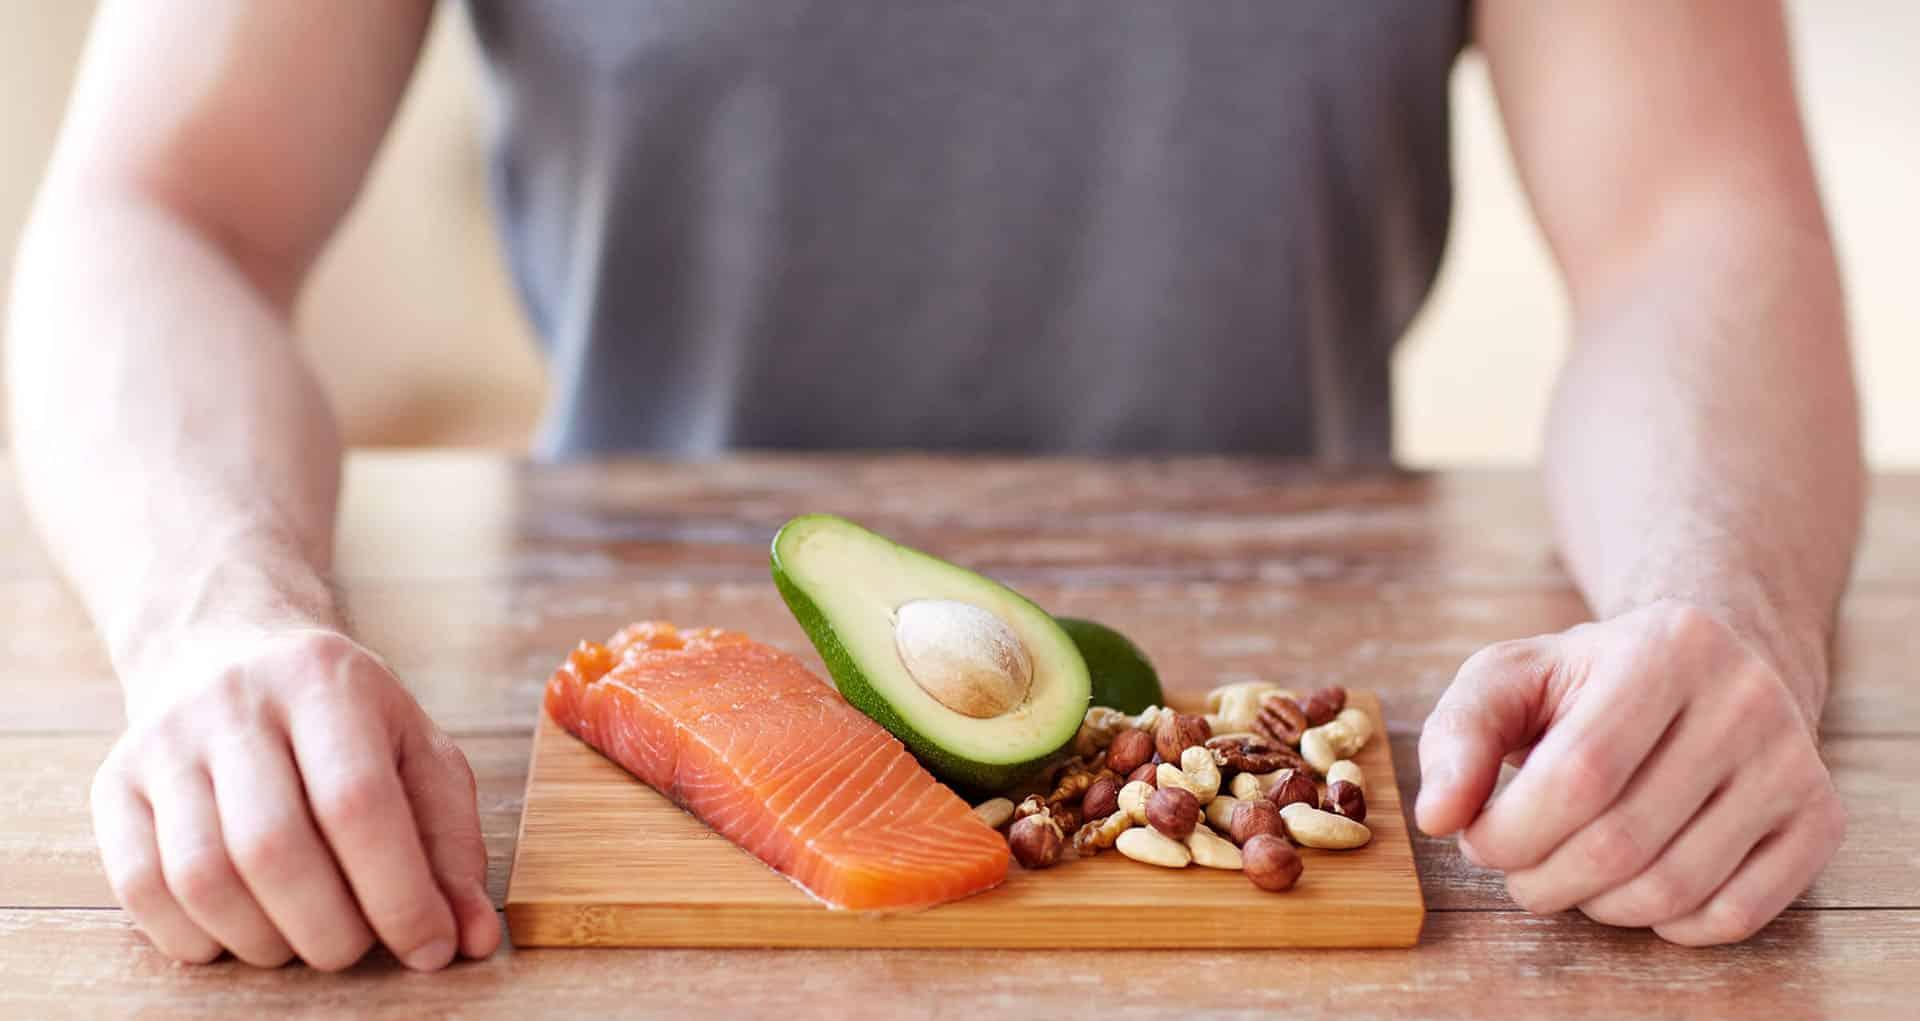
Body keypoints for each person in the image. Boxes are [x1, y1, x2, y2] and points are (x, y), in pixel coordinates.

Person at [7, 1, 1857, 969]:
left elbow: (1695, 227)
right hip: (630, 804)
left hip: (1281, 785)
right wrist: (212, 622)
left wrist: (1724, 612)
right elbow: (160, 213)